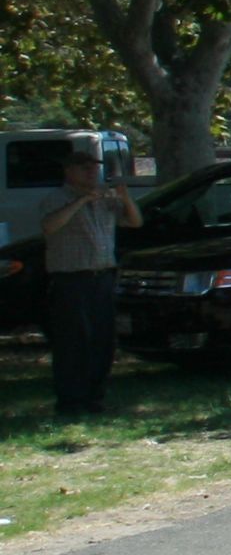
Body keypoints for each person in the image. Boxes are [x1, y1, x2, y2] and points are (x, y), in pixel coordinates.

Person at [39, 143, 139, 415]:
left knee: (102, 341)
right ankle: (71, 400)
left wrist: (124, 197)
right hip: (71, 280)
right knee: (73, 342)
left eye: (95, 168)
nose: (91, 173)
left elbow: (134, 222)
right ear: (69, 171)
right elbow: (49, 226)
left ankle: (95, 398)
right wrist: (81, 200)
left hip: (103, 277)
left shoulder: (105, 199)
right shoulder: (57, 198)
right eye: (84, 168)